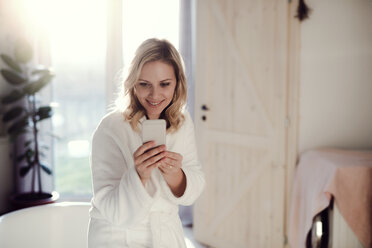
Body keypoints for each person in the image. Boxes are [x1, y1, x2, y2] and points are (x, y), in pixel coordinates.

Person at [88, 38, 205, 248]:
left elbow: (194, 185)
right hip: (117, 237)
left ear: (177, 82)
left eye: (164, 84)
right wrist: (139, 176)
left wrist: (175, 174)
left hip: (166, 236)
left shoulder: (182, 122)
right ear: (133, 83)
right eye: (144, 84)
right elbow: (110, 207)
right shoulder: (111, 128)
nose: (155, 95)